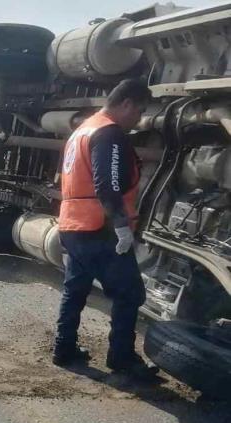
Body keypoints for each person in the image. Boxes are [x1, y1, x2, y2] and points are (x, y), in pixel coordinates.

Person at [53, 79, 158, 380]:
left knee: (75, 289)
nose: (138, 119)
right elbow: (107, 184)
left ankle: (64, 349)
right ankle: (122, 358)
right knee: (130, 293)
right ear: (126, 103)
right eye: (138, 112)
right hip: (99, 228)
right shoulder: (109, 133)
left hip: (73, 225)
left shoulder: (82, 129)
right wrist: (122, 226)